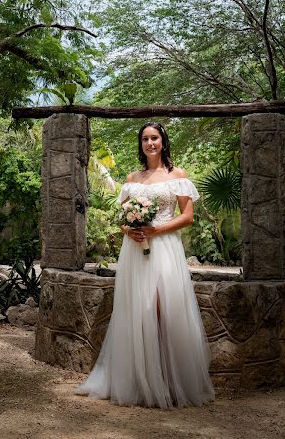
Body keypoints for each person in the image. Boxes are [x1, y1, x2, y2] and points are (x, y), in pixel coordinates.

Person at [76, 122, 214, 408]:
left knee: (164, 309)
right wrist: (131, 230)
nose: (150, 143)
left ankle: (168, 379)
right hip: (136, 250)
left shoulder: (178, 175)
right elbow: (123, 220)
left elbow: (187, 216)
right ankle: (141, 380)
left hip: (165, 249)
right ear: (141, 144)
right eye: (145, 139)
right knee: (138, 311)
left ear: (163, 141)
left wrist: (156, 231)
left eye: (155, 138)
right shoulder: (132, 177)